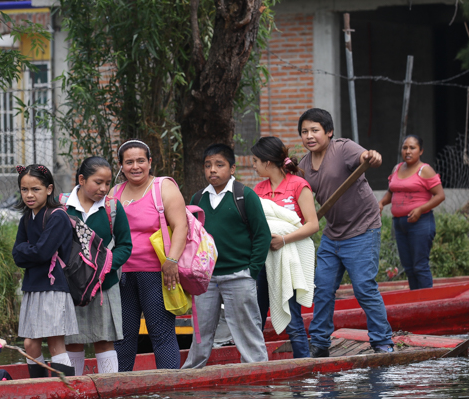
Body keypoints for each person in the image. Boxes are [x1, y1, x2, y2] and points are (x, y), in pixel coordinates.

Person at [298, 108, 394, 357]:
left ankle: (382, 341)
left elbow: (369, 158)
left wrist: (372, 156)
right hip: (333, 233)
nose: (309, 136)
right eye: (304, 131)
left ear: (328, 132)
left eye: (315, 130)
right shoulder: (304, 166)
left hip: (362, 228)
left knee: (363, 287)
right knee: (323, 287)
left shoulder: (342, 148)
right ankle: (319, 342)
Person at [182, 144, 270, 368]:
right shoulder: (198, 197)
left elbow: (262, 235)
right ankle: (191, 379)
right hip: (205, 281)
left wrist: (251, 271)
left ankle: (257, 376)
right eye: (208, 165)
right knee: (200, 336)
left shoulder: (244, 196)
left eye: (219, 165)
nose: (213, 170)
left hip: (239, 275)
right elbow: (194, 238)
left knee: (247, 333)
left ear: (232, 168)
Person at [111, 140, 189, 372]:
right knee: (123, 336)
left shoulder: (163, 187)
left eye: (141, 161)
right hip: (123, 274)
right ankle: (120, 390)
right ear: (121, 165)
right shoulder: (115, 192)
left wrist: (172, 261)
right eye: (129, 162)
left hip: (157, 272)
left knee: (161, 332)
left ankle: (170, 392)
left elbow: (181, 226)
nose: (136, 166)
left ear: (150, 162)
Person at [250, 136, 319, 358]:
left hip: (289, 260)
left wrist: (284, 239)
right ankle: (253, 364)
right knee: (255, 317)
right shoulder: (257, 189)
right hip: (262, 259)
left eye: (255, 161)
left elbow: (312, 224)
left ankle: (303, 367)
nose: (253, 165)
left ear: (267, 162)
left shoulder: (299, 185)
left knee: (292, 317)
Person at [63, 156, 133, 375]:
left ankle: (110, 396)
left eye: (107, 183)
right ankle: (73, 393)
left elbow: (125, 245)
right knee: (72, 341)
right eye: (98, 182)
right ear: (82, 180)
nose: (104, 188)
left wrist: (106, 265)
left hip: (104, 284)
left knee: (105, 340)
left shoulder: (112, 208)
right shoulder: (63, 207)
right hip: (71, 286)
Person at [11, 163, 79, 375]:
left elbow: (42, 253)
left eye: (35, 189)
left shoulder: (57, 216)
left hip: (53, 287)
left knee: (55, 343)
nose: (29, 195)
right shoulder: (26, 218)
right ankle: (40, 388)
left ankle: (67, 390)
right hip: (32, 286)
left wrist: (28, 250)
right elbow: (17, 255)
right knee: (30, 344)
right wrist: (30, 251)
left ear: (49, 189)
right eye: (24, 189)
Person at [379, 134, 445, 290]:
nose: (408, 151)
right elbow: (392, 192)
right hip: (400, 224)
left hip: (420, 222)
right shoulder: (397, 168)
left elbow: (440, 195)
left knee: (420, 266)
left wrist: (421, 209)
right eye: (405, 148)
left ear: (421, 151)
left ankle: (427, 304)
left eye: (412, 148)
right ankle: (415, 302)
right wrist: (381, 203)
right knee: (408, 267)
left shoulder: (425, 170)